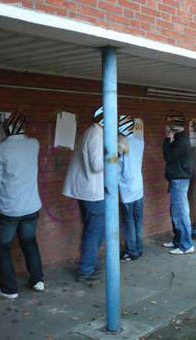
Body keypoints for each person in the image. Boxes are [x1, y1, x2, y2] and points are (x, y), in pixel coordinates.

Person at [0, 112, 44, 299]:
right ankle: (38, 281)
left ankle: (9, 289)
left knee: (1, 246)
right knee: (29, 243)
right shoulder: (34, 144)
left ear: (6, 128)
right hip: (32, 206)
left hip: (10, 208)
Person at [63, 107, 105, 282]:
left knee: (94, 230)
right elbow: (97, 165)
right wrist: (116, 153)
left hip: (87, 191)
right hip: (92, 192)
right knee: (95, 232)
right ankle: (86, 270)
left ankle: (88, 265)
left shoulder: (92, 132)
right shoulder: (95, 136)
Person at [162, 114, 195, 255]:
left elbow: (168, 157)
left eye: (168, 124)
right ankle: (178, 240)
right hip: (178, 180)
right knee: (176, 212)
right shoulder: (180, 138)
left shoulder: (180, 141)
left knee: (180, 213)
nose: (166, 126)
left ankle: (186, 245)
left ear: (173, 126)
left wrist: (167, 139)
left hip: (179, 180)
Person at [118, 115, 145, 261]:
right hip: (138, 187)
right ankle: (139, 248)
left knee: (129, 223)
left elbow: (115, 167)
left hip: (126, 189)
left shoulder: (121, 146)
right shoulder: (140, 141)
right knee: (138, 221)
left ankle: (132, 251)